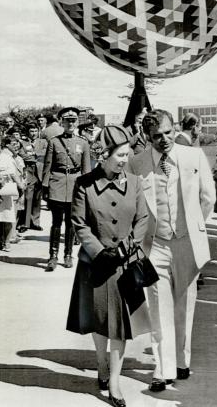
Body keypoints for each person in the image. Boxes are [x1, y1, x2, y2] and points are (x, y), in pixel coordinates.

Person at [128, 109, 215, 390]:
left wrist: (194, 228)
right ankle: (162, 369)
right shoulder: (137, 163)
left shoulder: (193, 156)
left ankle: (182, 361)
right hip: (156, 246)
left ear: (174, 127)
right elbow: (135, 206)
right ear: (146, 137)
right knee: (159, 306)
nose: (164, 140)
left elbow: (207, 197)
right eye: (156, 137)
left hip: (188, 243)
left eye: (167, 133)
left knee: (184, 305)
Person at [67, 125, 149, 407]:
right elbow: (79, 223)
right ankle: (101, 363)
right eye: (119, 156)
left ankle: (114, 380)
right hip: (96, 265)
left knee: (120, 326)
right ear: (104, 155)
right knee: (99, 319)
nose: (124, 160)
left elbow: (143, 219)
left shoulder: (136, 183)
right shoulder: (84, 184)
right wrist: (100, 252)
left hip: (124, 265)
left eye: (127, 155)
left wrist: (126, 249)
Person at [42, 107, 91, 271]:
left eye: (73, 120)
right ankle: (53, 256)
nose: (70, 123)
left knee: (71, 223)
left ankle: (68, 255)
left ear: (77, 122)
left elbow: (86, 169)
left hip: (75, 186)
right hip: (57, 184)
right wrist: (45, 186)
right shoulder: (54, 142)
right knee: (56, 223)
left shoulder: (83, 143)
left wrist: (87, 189)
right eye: (67, 120)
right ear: (61, 122)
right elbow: (47, 165)